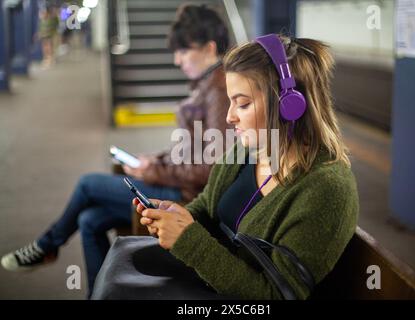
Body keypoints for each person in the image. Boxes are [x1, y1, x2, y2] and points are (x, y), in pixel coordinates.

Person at [91, 34, 359, 300]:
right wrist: (177, 217)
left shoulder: (327, 189)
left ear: (288, 105)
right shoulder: (244, 151)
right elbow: (208, 207)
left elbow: (276, 295)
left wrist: (189, 241)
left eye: (242, 104)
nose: (230, 117)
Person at [1, 4, 231, 297]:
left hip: (187, 196)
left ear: (209, 48)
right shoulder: (208, 84)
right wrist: (155, 160)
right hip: (178, 183)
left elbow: (213, 166)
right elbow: (192, 150)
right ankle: (100, 295)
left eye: (184, 51)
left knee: (88, 184)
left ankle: (47, 246)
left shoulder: (219, 91)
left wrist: (155, 172)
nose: (177, 60)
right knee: (89, 220)